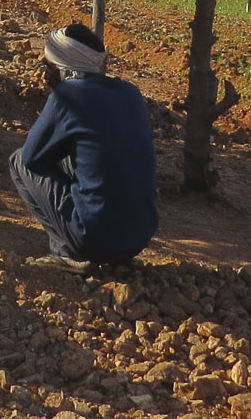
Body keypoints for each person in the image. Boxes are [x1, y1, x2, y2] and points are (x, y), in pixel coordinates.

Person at [8, 23, 158, 267]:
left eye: (50, 66)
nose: (46, 74)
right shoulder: (130, 93)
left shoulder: (69, 95)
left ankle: (67, 253)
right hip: (139, 238)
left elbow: (31, 158)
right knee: (77, 154)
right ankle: (112, 254)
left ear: (65, 69)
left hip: (94, 239)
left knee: (18, 160)